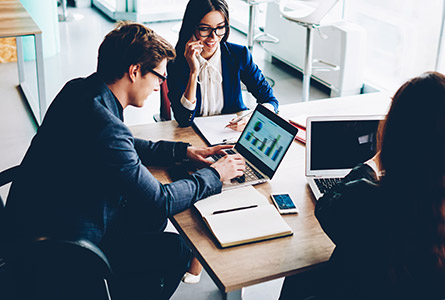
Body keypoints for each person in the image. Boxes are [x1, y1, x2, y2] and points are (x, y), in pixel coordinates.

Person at [4, 22, 245, 300]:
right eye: (159, 77)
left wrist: (183, 152)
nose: (159, 87)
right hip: (62, 250)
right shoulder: (106, 125)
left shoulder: (81, 91)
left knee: (149, 219)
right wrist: (215, 174)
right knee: (175, 247)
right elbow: (161, 199)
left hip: (34, 222)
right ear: (134, 71)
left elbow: (122, 143)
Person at [280, 71, 445, 300]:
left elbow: (327, 206)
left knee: (298, 276)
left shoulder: (367, 200)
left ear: (396, 136)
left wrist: (372, 163)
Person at [167, 0, 279, 130]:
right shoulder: (176, 62)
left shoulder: (239, 54)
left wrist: (251, 119)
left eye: (220, 28)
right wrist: (193, 72)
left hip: (231, 135)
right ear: (192, 26)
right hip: (194, 137)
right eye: (204, 29)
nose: (213, 37)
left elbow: (270, 100)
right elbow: (183, 120)